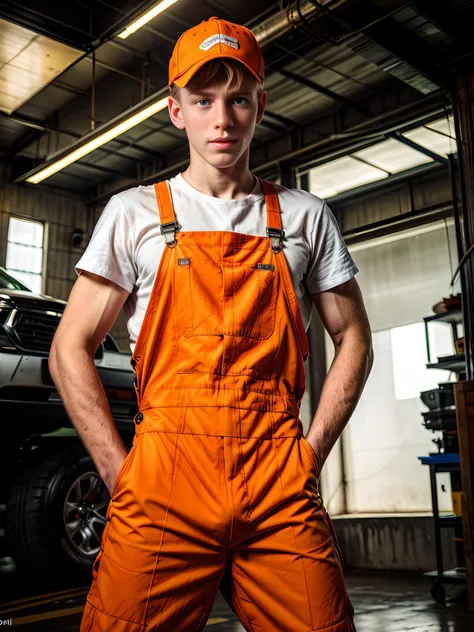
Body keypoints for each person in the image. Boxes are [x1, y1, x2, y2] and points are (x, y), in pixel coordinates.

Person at [49, 16, 373, 632]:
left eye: (237, 101)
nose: (221, 120)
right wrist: (121, 475)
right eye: (202, 101)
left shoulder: (305, 216)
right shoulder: (134, 213)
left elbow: (353, 335)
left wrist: (311, 452)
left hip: (278, 479)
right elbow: (70, 347)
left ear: (260, 107)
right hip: (163, 481)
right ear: (176, 111)